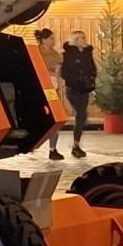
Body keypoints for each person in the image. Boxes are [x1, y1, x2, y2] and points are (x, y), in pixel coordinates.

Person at [60, 30, 98, 158]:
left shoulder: (87, 53)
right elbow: (64, 72)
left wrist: (91, 79)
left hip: (85, 88)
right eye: (81, 38)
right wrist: (75, 80)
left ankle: (76, 145)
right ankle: (75, 145)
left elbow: (92, 68)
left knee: (81, 116)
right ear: (75, 40)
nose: (84, 40)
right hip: (73, 88)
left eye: (84, 37)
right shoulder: (68, 54)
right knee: (81, 114)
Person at [34, 28, 67, 161]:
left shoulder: (56, 55)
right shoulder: (35, 53)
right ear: (43, 40)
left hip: (52, 89)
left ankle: (53, 149)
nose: (54, 42)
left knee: (55, 119)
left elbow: (58, 73)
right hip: (38, 89)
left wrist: (58, 84)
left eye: (54, 39)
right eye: (51, 39)